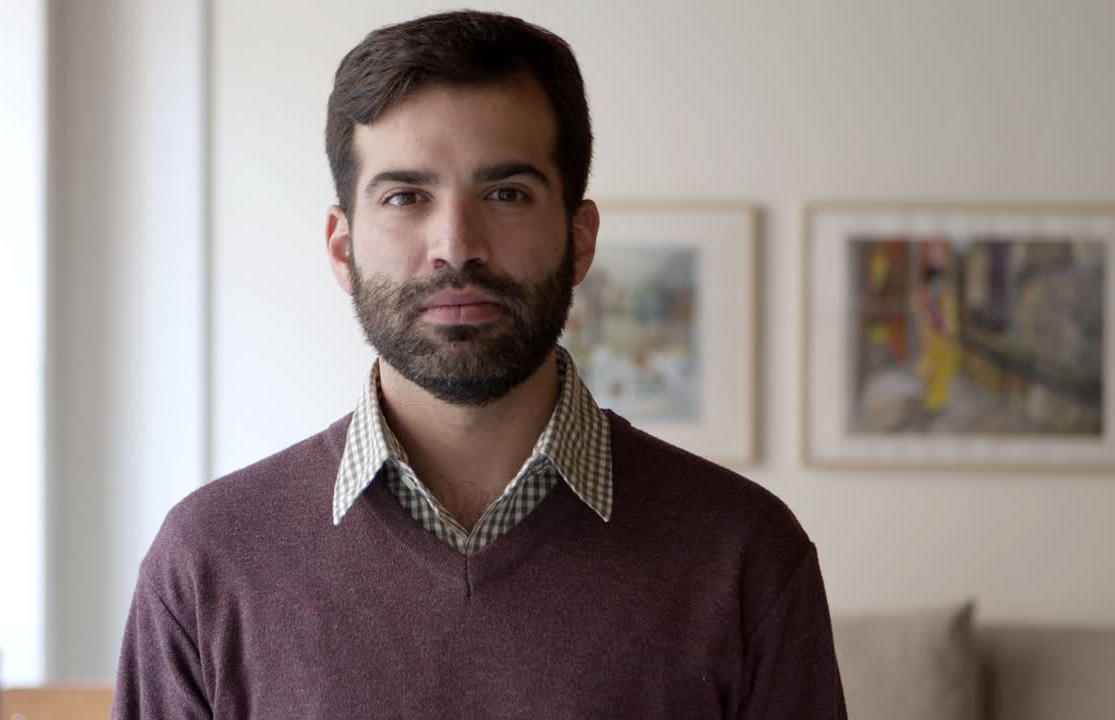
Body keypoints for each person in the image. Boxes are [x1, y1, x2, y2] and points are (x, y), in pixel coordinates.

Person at [112, 10, 845, 719]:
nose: (456, 244)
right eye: (406, 196)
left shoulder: (744, 555)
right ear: (342, 247)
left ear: (580, 238)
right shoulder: (208, 562)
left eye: (506, 193)